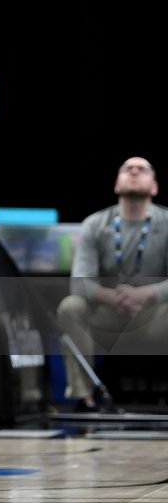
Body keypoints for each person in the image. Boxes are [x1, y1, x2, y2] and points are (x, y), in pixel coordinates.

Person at [57, 156, 168, 409]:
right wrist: (113, 297)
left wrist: (146, 293)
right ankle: (84, 397)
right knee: (71, 306)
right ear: (117, 185)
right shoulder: (95, 224)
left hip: (155, 315)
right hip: (109, 315)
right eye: (127, 169)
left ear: (154, 187)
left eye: (143, 169)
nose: (134, 171)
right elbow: (80, 282)